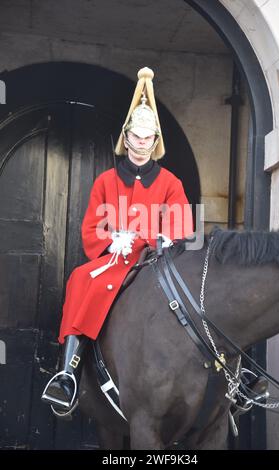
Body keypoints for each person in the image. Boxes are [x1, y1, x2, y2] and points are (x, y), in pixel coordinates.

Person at [41, 67, 194, 413]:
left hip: (156, 258)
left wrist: (159, 238)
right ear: (126, 138)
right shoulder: (106, 181)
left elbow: (181, 223)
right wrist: (115, 242)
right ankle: (68, 374)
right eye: (135, 137)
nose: (140, 145)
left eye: (147, 139)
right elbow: (91, 229)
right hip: (115, 258)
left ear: (155, 143)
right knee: (82, 279)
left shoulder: (170, 182)